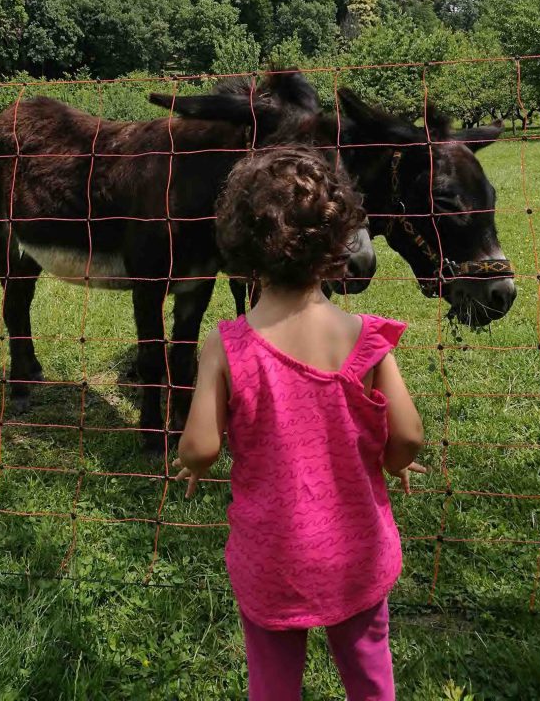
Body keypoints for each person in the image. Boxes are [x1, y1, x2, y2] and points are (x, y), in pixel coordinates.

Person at [174, 146, 425, 701]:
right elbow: (407, 435)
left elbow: (199, 447)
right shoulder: (367, 337)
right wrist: (394, 463)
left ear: (238, 240)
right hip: (358, 552)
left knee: (273, 682)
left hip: (272, 558)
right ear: (339, 239)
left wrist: (193, 466)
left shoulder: (227, 345)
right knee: (369, 674)